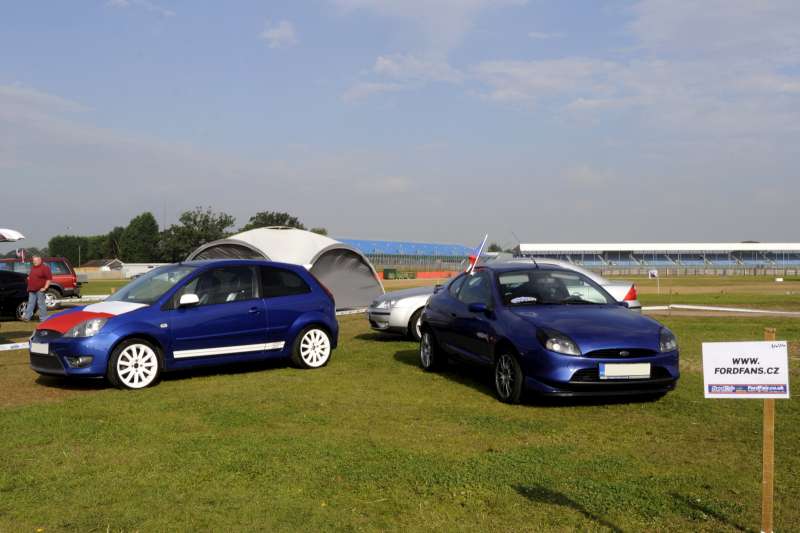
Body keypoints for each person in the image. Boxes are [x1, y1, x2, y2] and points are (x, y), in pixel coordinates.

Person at [22, 255, 52, 322]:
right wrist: (28, 279)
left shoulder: (45, 268)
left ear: (40, 260)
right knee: (30, 303)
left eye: (36, 260)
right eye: (33, 260)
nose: (34, 262)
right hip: (31, 289)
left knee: (41, 304)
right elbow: (32, 276)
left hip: (40, 290)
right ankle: (27, 317)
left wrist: (45, 287)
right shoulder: (33, 267)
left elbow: (49, 279)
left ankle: (43, 318)